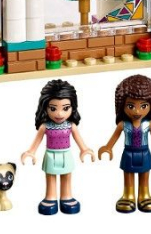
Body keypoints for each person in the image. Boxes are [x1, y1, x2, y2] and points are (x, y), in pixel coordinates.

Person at [98, 75, 151, 213]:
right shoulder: (123, 124)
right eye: (131, 106)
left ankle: (144, 195)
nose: (137, 111)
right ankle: (128, 196)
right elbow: (115, 137)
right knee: (128, 174)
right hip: (128, 153)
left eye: (143, 106)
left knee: (144, 174)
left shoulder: (149, 124)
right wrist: (108, 148)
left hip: (144, 153)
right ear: (122, 105)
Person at [21, 79, 95, 214]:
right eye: (53, 108)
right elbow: (37, 141)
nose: (59, 114)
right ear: (45, 107)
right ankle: (50, 197)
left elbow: (79, 140)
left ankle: (66, 196)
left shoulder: (71, 125)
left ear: (72, 107)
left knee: (67, 176)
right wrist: (31, 152)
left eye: (65, 108)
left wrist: (84, 150)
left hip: (66, 154)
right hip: (50, 154)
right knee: (50, 177)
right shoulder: (45, 126)